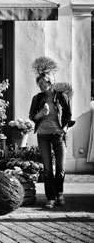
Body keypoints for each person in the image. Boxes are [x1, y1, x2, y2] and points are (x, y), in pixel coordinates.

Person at [29, 72, 73, 209]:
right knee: (47, 169)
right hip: (42, 134)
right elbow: (32, 117)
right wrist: (41, 113)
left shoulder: (62, 97)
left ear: (50, 82)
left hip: (58, 134)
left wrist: (64, 129)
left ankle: (59, 193)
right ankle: (51, 198)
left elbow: (68, 115)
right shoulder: (37, 98)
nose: (41, 85)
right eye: (39, 83)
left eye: (44, 82)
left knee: (60, 168)